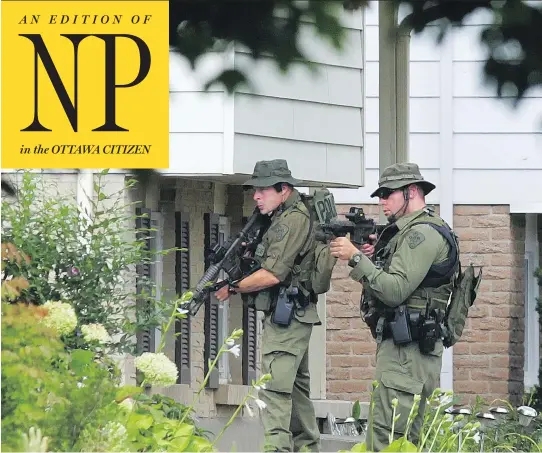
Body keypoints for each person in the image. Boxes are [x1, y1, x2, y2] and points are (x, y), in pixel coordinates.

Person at [329, 162, 459, 451]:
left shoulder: (420, 234)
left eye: (388, 193)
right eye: (380, 194)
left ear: (412, 192)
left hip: (406, 355)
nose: (382, 201)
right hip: (409, 353)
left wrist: (355, 258)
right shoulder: (413, 231)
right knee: (402, 443)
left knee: (386, 441)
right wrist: (379, 253)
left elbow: (394, 291)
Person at [215, 159, 321, 452]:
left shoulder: (292, 220)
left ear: (283, 189)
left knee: (274, 388)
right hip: (289, 315)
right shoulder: (281, 217)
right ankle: (305, 447)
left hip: (289, 314)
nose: (256, 196)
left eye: (262, 190)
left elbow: (274, 274)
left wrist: (234, 286)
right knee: (296, 391)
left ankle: (277, 449)